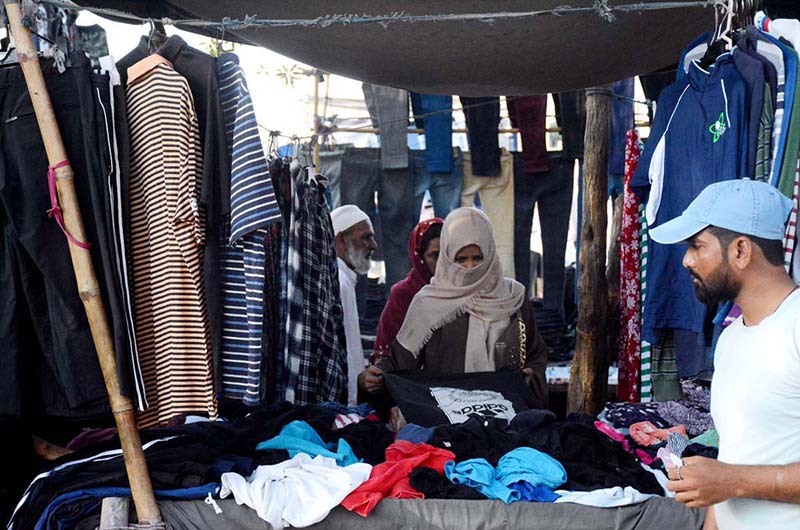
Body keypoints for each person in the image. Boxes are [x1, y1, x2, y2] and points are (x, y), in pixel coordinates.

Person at [650, 179, 800, 529]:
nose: (687, 260)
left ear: (740, 251)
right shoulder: (731, 340)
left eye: (697, 246)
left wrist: (732, 480)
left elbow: (729, 476)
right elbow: (732, 460)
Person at [359, 207, 549, 407]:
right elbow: (400, 361)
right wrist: (371, 378)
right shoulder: (428, 304)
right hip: (447, 419)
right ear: (447, 257)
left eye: (478, 258)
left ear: (490, 253)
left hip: (509, 416)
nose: (469, 267)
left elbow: (536, 354)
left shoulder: (513, 298)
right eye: (460, 259)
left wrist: (531, 377)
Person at [373, 217, 444, 357]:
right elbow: (387, 351)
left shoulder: (467, 290)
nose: (443, 262)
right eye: (435, 256)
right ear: (420, 258)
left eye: (447, 254)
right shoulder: (404, 295)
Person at [330, 205, 378, 405]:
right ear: (341, 240)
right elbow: (344, 349)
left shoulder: (343, 278)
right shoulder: (339, 281)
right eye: (365, 238)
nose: (373, 245)